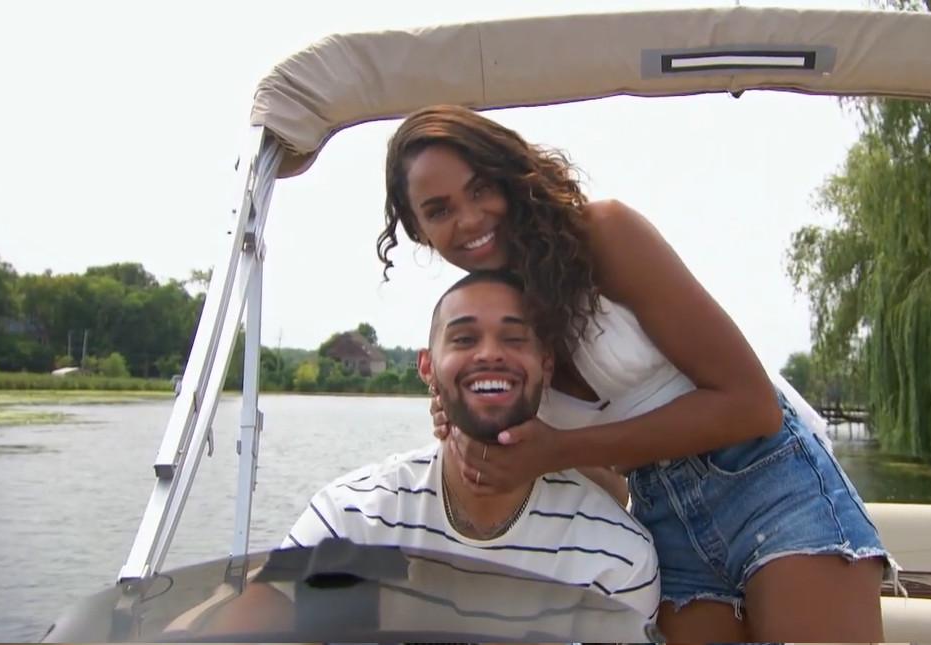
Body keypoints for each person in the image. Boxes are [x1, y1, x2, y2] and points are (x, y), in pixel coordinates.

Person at [377, 105, 893, 642]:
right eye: (439, 210)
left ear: (509, 173)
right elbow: (608, 484)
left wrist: (556, 450)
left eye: (480, 188)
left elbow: (751, 407)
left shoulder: (603, 233)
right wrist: (475, 430)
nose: (468, 219)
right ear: (419, 231)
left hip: (765, 476)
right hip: (660, 518)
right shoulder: (495, 332)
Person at [281, 269, 660, 620]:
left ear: (546, 365)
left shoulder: (617, 555)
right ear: (427, 367)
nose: (490, 353)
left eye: (514, 338)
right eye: (464, 339)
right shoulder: (349, 519)